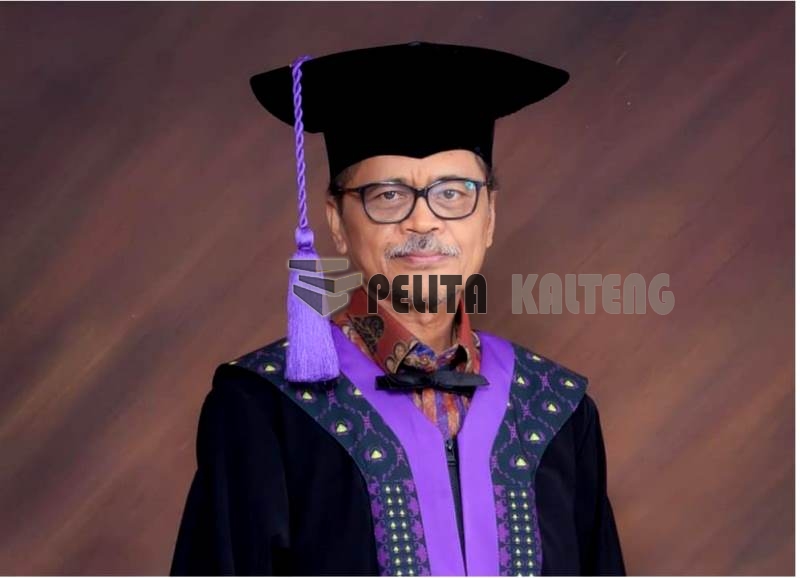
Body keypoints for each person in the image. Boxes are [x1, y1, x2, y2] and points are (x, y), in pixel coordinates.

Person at [170, 41, 626, 576]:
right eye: (388, 195)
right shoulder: (263, 411)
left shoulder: (557, 411)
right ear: (337, 221)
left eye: (453, 193)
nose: (423, 222)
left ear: (489, 218)